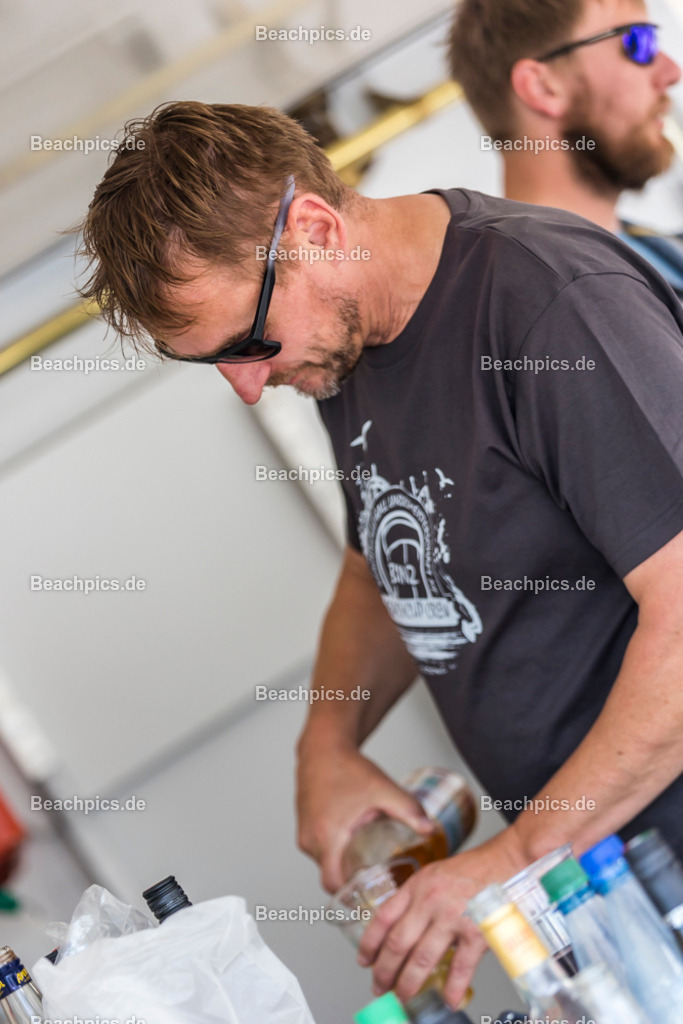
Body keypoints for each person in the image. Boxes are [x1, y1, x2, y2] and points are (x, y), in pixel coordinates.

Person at [78, 101, 683, 1008]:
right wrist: (326, 742)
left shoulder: (546, 308)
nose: (249, 386)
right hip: (598, 876)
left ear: (314, 229)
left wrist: (513, 860)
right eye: (215, 364)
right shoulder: (343, 347)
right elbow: (388, 559)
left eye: (247, 344)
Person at [449, 0, 683, 293]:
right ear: (543, 87)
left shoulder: (658, 253)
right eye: (638, 41)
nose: (673, 71)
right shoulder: (537, 308)